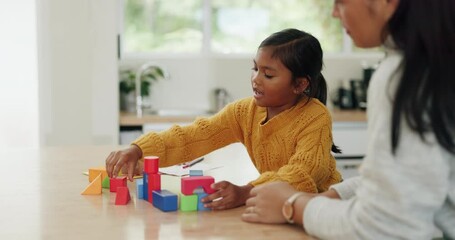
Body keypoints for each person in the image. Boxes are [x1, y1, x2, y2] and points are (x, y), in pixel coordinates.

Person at [241, 0, 455, 239]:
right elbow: (401, 182)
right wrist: (330, 197)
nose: (334, 13)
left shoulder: (407, 78)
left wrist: (293, 205)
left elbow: (384, 227)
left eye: (341, 2)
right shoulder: (433, 62)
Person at [105, 28, 342, 210]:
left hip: (321, 207)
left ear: (300, 84)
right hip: (276, 204)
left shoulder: (315, 117)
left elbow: (302, 173)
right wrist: (139, 149)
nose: (256, 79)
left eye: (268, 74)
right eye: (255, 68)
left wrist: (247, 192)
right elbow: (193, 136)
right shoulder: (243, 112)